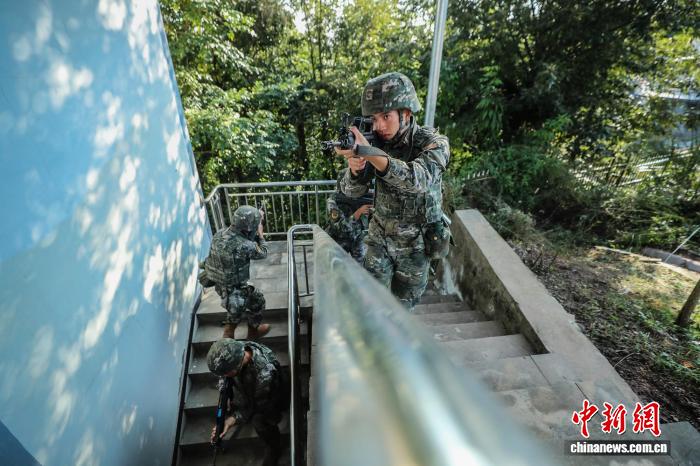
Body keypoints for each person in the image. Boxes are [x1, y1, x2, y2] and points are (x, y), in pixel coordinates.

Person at [335, 72, 450, 310]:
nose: (379, 126)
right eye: (374, 119)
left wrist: (371, 154)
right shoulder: (376, 141)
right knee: (371, 304)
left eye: (386, 116)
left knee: (402, 309)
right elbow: (351, 192)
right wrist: (355, 170)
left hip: (416, 246)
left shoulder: (433, 142)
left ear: (405, 113)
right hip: (379, 239)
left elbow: (418, 180)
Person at [207, 338, 288, 466]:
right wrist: (226, 393)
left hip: (270, 399)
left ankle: (274, 447)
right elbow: (225, 377)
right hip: (250, 391)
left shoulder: (264, 374)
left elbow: (258, 406)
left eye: (227, 373)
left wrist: (232, 420)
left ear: (236, 366)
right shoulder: (236, 349)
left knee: (259, 420)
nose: (224, 376)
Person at [198, 205, 271, 339]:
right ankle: (239, 334)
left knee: (241, 306)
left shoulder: (219, 234)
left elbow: (238, 242)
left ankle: (244, 332)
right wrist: (260, 234)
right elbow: (263, 253)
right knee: (251, 304)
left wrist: (255, 220)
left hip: (220, 284)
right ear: (249, 226)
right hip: (236, 288)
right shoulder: (245, 245)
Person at [324, 169, 372, 263]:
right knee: (337, 268)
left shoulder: (364, 198)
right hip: (338, 241)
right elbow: (340, 228)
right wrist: (358, 213)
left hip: (357, 240)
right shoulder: (333, 201)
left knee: (361, 269)